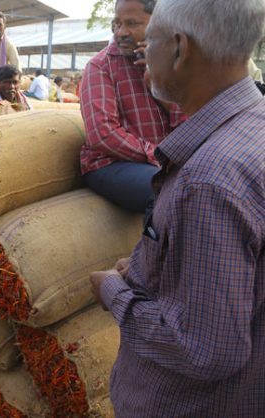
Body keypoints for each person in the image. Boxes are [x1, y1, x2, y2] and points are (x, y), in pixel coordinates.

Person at [89, 0, 265, 416]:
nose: (139, 51)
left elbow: (206, 350)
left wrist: (113, 292)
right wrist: (149, 268)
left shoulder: (206, 181)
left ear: (180, 49)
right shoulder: (252, 127)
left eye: (149, 40)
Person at [80, 0, 184, 215]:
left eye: (132, 24)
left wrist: (156, 77)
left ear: (158, 24)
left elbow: (186, 122)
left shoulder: (172, 64)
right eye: (117, 24)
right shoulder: (100, 66)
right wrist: (158, 156)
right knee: (169, 191)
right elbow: (103, 134)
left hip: (161, 161)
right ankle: (153, 249)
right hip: (111, 164)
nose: (121, 32)